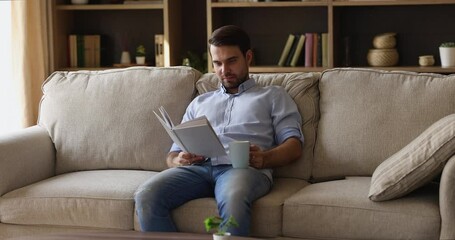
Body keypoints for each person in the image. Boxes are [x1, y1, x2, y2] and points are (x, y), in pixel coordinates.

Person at [134, 25, 303, 236]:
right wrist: (179, 160)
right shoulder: (200, 102)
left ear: (248, 57)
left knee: (233, 198)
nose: (224, 70)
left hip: (242, 170)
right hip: (197, 169)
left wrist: (265, 159)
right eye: (217, 63)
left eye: (232, 61)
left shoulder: (273, 96)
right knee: (146, 195)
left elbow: (294, 145)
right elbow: (172, 154)